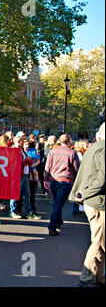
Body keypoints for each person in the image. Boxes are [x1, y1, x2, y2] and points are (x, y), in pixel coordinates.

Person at [69, 123, 104, 287]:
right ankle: (87, 277)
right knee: (98, 242)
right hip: (98, 201)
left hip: (92, 200)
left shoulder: (93, 148)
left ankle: (98, 277)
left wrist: (82, 193)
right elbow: (102, 179)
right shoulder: (102, 150)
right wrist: (85, 193)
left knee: (100, 241)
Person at [44, 134, 80, 236]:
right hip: (66, 180)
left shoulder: (52, 151)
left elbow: (47, 166)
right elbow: (76, 168)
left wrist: (45, 179)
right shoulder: (72, 153)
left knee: (57, 202)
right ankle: (52, 226)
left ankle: (58, 221)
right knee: (58, 204)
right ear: (69, 141)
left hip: (54, 180)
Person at [9, 136, 40, 220]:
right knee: (16, 194)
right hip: (18, 175)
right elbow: (14, 163)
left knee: (27, 194)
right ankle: (12, 211)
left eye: (21, 141)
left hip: (25, 175)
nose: (21, 143)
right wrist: (25, 162)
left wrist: (28, 162)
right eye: (19, 141)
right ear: (15, 142)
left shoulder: (21, 150)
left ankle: (29, 212)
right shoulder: (13, 150)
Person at [23, 138, 41, 216]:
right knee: (22, 193)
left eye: (28, 144)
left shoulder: (32, 151)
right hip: (23, 172)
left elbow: (38, 160)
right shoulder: (20, 151)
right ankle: (19, 209)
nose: (27, 146)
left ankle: (33, 210)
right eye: (25, 144)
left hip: (32, 172)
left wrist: (34, 165)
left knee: (31, 192)